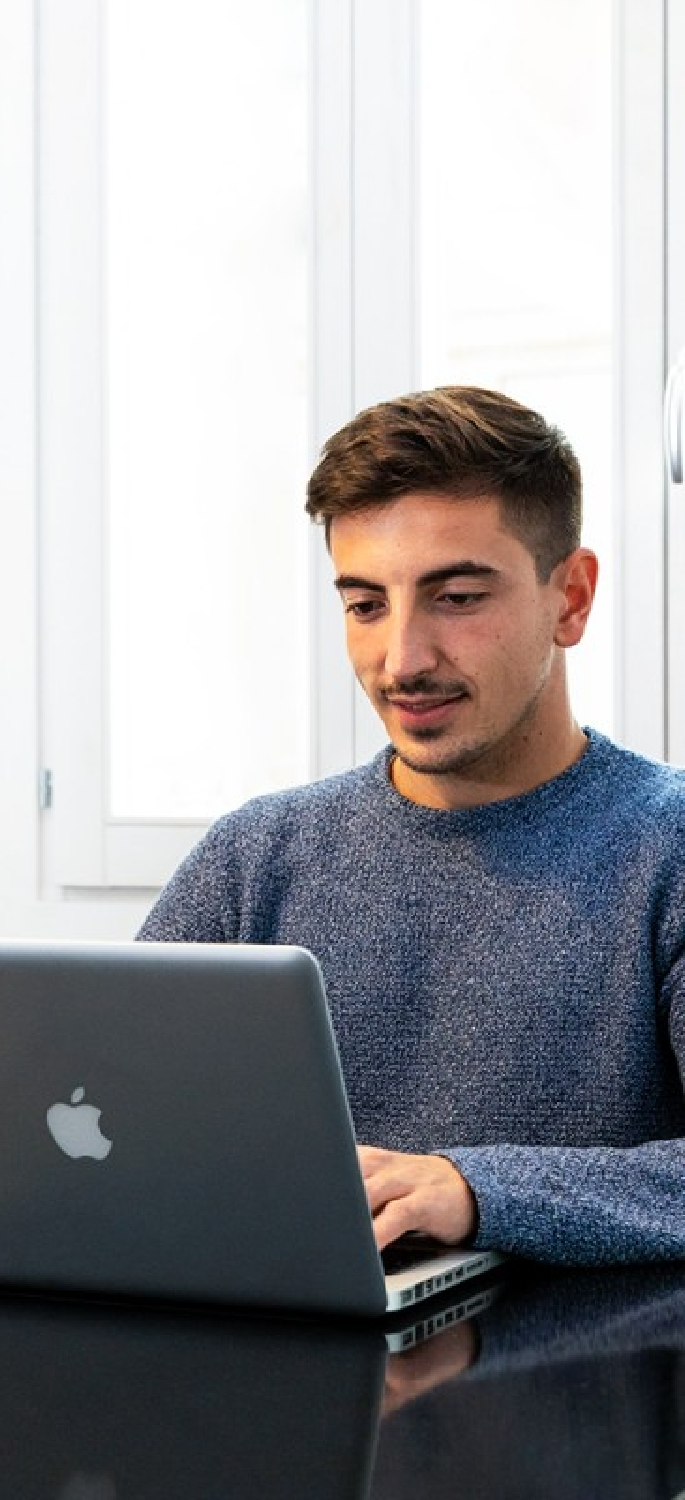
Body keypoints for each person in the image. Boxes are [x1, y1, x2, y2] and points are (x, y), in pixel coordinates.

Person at [138, 386, 685, 1266]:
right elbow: (113, 1122)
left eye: (458, 597)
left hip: (583, 1385)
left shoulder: (671, 848)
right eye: (365, 605)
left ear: (571, 599)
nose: (402, 660)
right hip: (289, 1369)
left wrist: (474, 1191)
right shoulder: (255, 856)